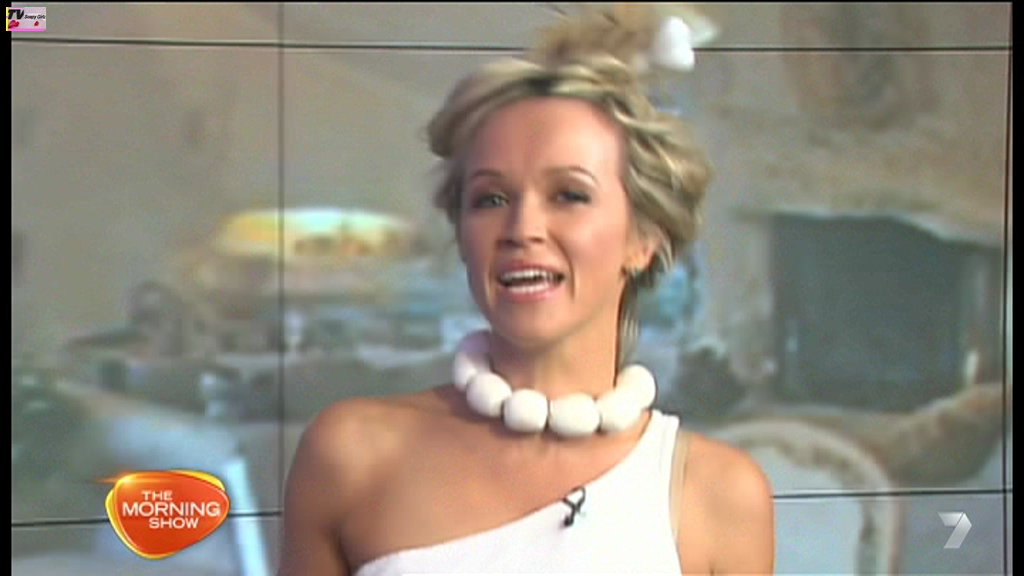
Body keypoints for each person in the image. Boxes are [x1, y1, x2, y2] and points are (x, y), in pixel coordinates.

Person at [279, 4, 775, 575]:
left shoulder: (719, 498)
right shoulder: (351, 457)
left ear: (643, 239)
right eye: (490, 199)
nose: (522, 229)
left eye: (569, 195)